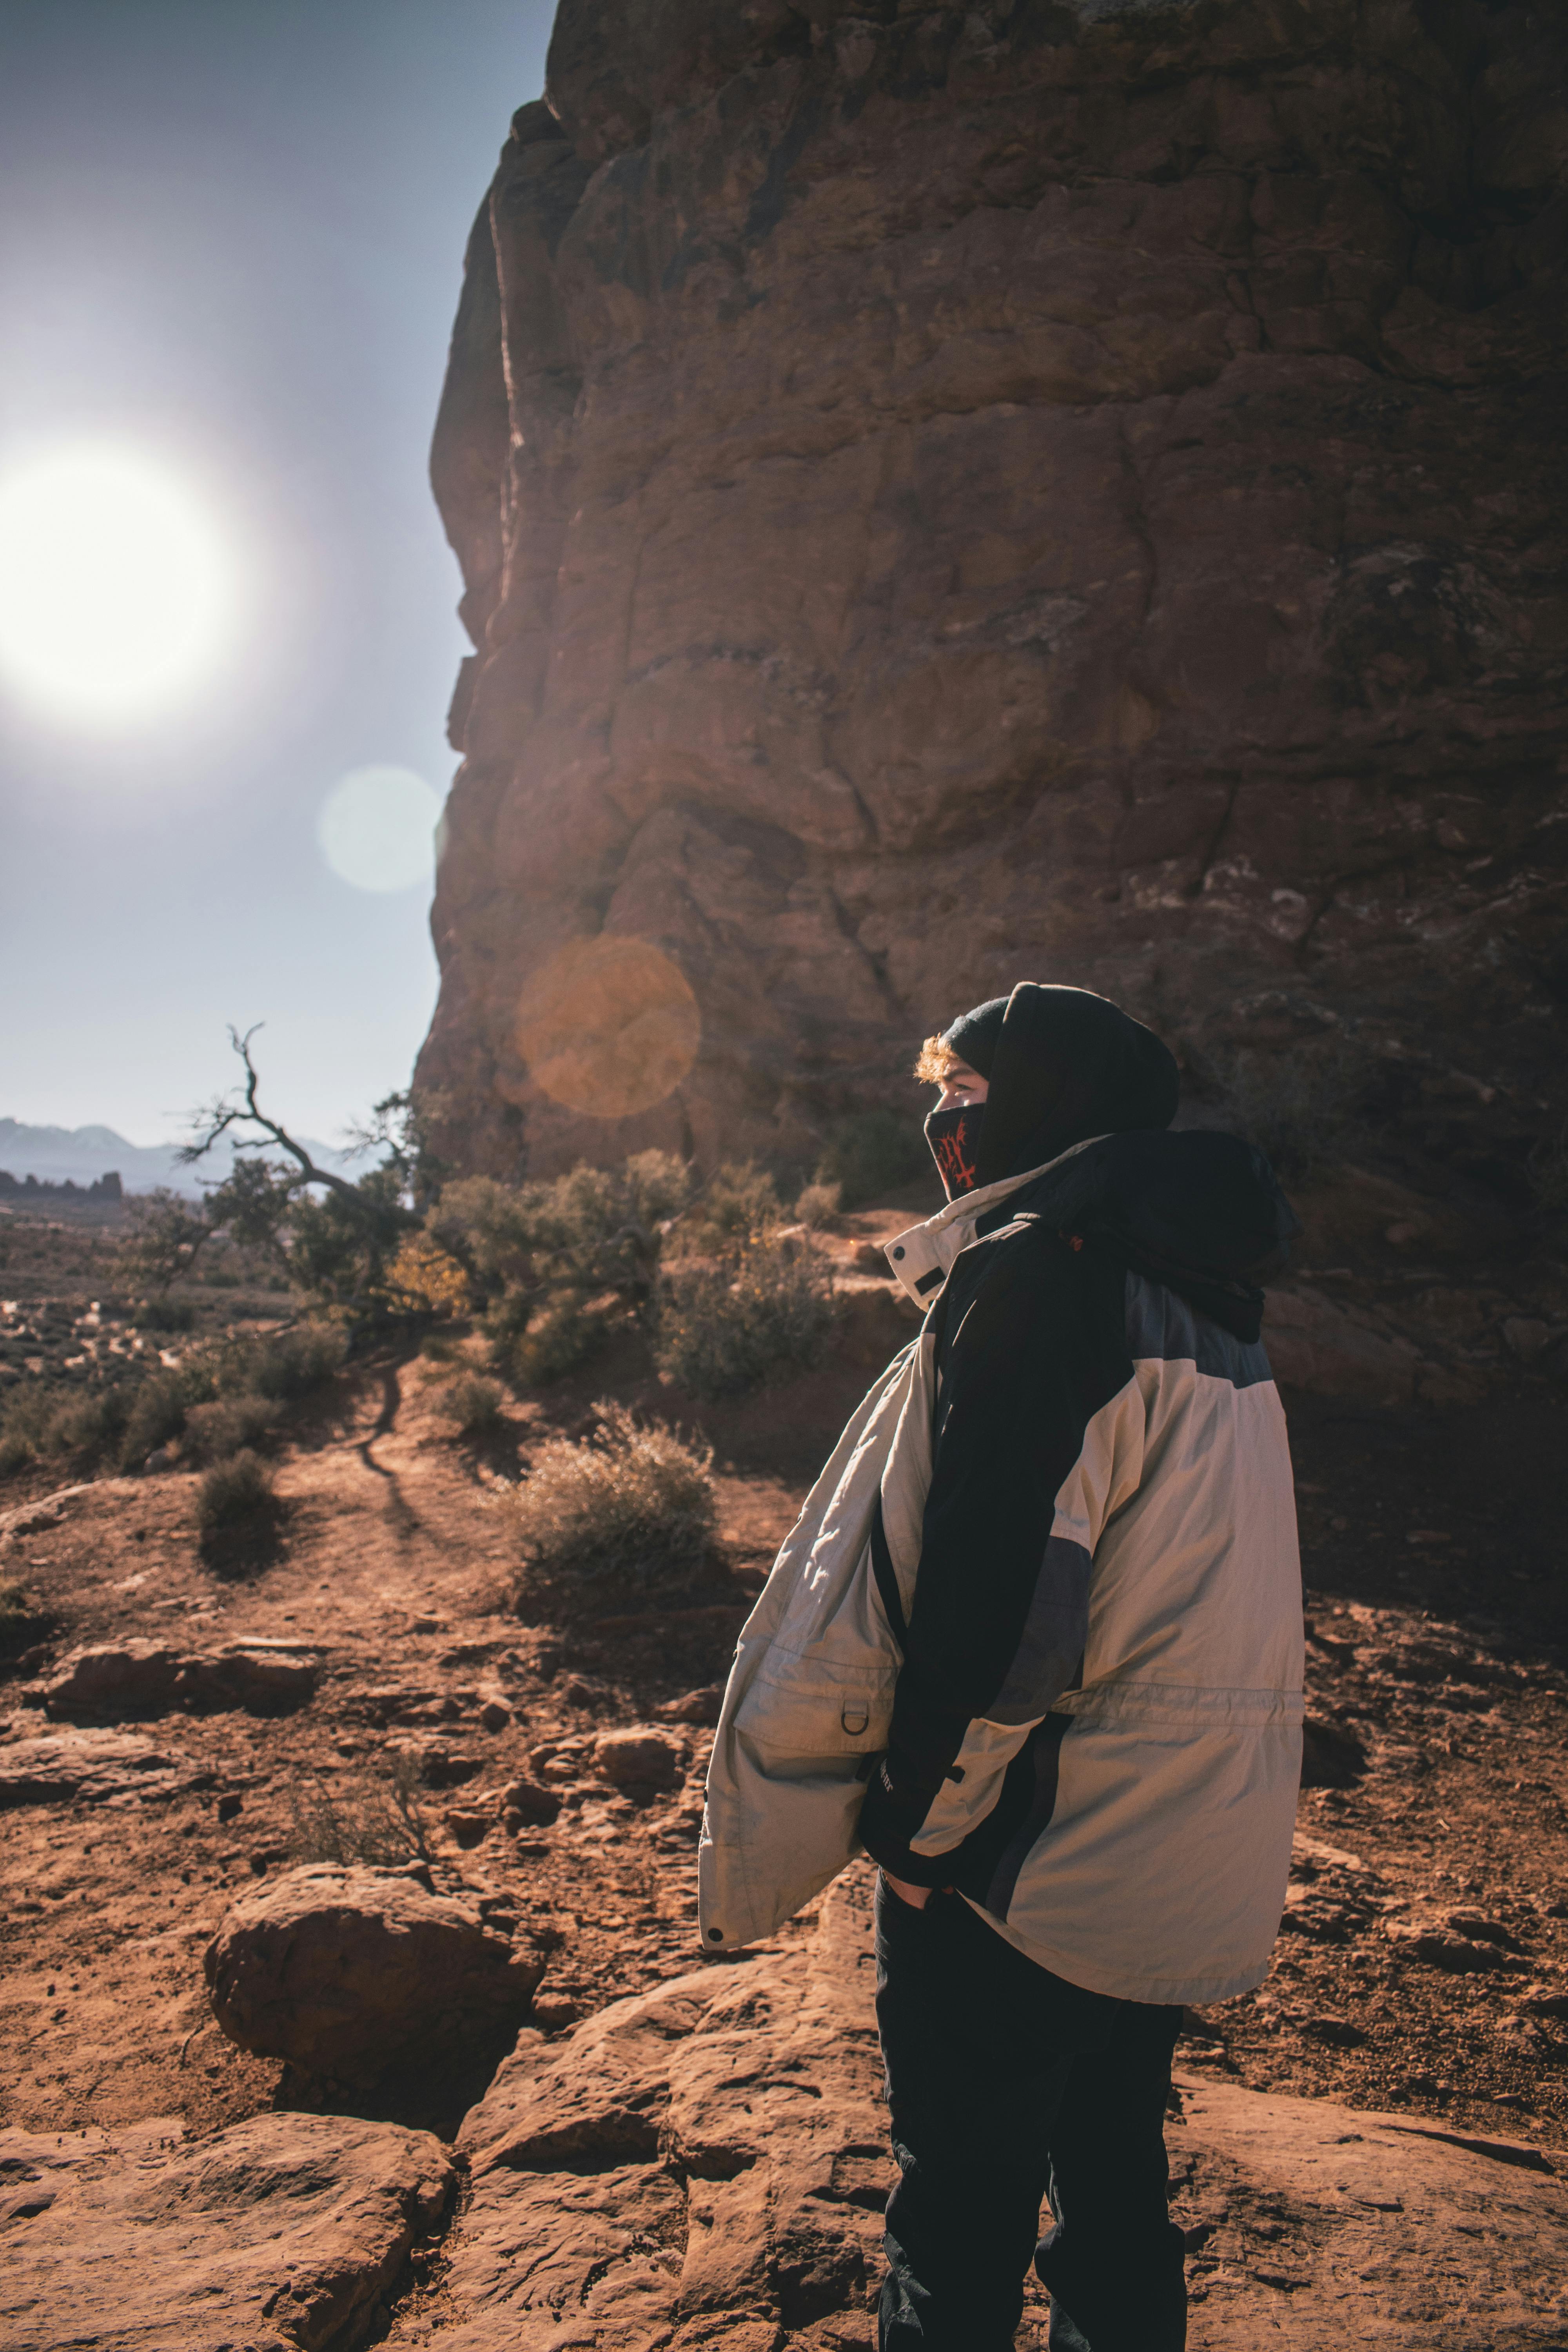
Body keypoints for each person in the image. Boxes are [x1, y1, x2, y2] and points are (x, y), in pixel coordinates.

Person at [700, 982, 1303, 2352]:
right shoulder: (1206, 1296)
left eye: (968, 1097)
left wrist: (923, 1832)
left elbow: (1011, 1602)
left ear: (1054, 1105)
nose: (941, 1125)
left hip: (1024, 1862)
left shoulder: (1045, 1279)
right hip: (1169, 1838)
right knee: (1114, 2195)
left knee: (956, 2219)